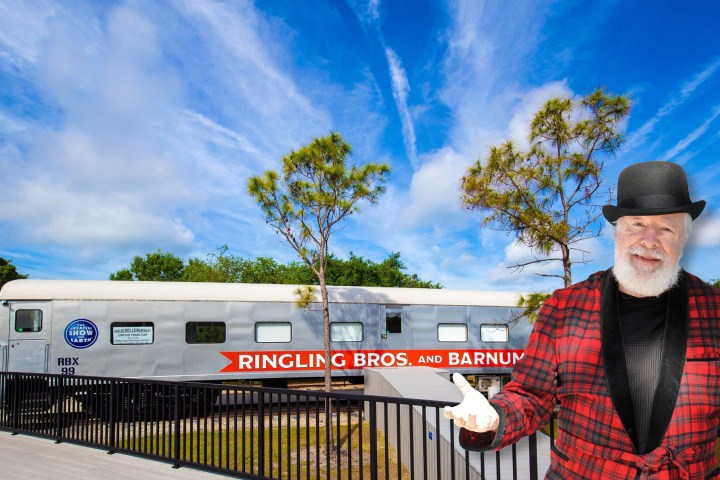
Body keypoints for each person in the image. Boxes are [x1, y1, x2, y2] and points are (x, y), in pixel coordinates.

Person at [444, 161, 720, 479]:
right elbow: (531, 395)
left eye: (666, 228)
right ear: (618, 233)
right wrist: (494, 416)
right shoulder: (564, 308)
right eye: (636, 225)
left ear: (683, 238)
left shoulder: (713, 308)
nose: (649, 240)